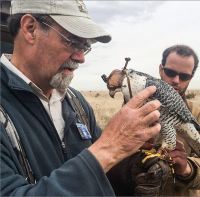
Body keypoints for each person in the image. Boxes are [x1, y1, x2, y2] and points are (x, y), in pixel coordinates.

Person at [0, 0, 161, 196]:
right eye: (72, 41)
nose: (81, 57)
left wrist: (134, 169)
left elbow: (101, 172)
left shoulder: (76, 102)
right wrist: (109, 148)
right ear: (30, 29)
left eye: (84, 46)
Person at [158, 44, 200, 196]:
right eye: (170, 72)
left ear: (191, 78)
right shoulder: (135, 107)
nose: (176, 80)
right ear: (160, 69)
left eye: (184, 76)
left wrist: (187, 168)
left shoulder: (197, 112)